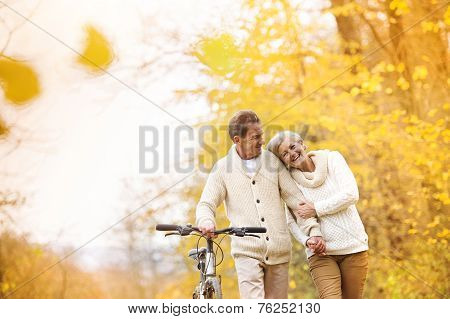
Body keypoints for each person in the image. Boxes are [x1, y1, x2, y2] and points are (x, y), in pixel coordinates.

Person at [196, 110, 322, 299]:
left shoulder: (273, 162)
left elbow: (297, 201)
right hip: (247, 252)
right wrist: (206, 221)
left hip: (279, 252)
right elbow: (206, 203)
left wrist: (313, 231)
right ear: (237, 140)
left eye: (261, 135)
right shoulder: (223, 169)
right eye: (256, 137)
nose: (262, 141)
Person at [267, 131, 369, 299]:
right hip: (321, 255)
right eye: (285, 153)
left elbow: (351, 194)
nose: (292, 153)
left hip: (354, 248)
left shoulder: (332, 159)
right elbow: (291, 220)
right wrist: (306, 240)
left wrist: (316, 208)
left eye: (293, 147)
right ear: (282, 161)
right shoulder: (289, 183)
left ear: (302, 144)